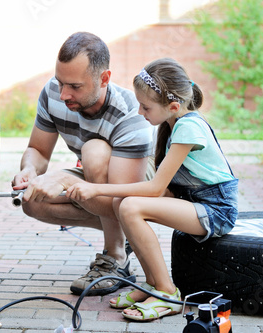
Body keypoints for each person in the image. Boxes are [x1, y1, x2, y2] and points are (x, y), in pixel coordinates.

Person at [65, 57, 239, 321]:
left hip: (215, 209)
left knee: (131, 206)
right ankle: (151, 283)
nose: (139, 112)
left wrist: (95, 188)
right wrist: (111, 193)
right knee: (120, 202)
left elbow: (156, 188)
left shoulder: (189, 127)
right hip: (193, 199)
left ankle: (168, 293)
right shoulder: (172, 122)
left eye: (145, 107)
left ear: (172, 106)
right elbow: (164, 186)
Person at [11, 32, 157, 296]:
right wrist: (30, 169)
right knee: (32, 200)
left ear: (104, 79)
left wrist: (66, 181)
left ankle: (116, 257)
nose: (64, 94)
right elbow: (38, 150)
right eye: (60, 82)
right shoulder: (53, 94)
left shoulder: (130, 114)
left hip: (136, 185)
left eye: (75, 87)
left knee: (94, 149)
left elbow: (120, 200)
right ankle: (130, 234)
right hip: (102, 184)